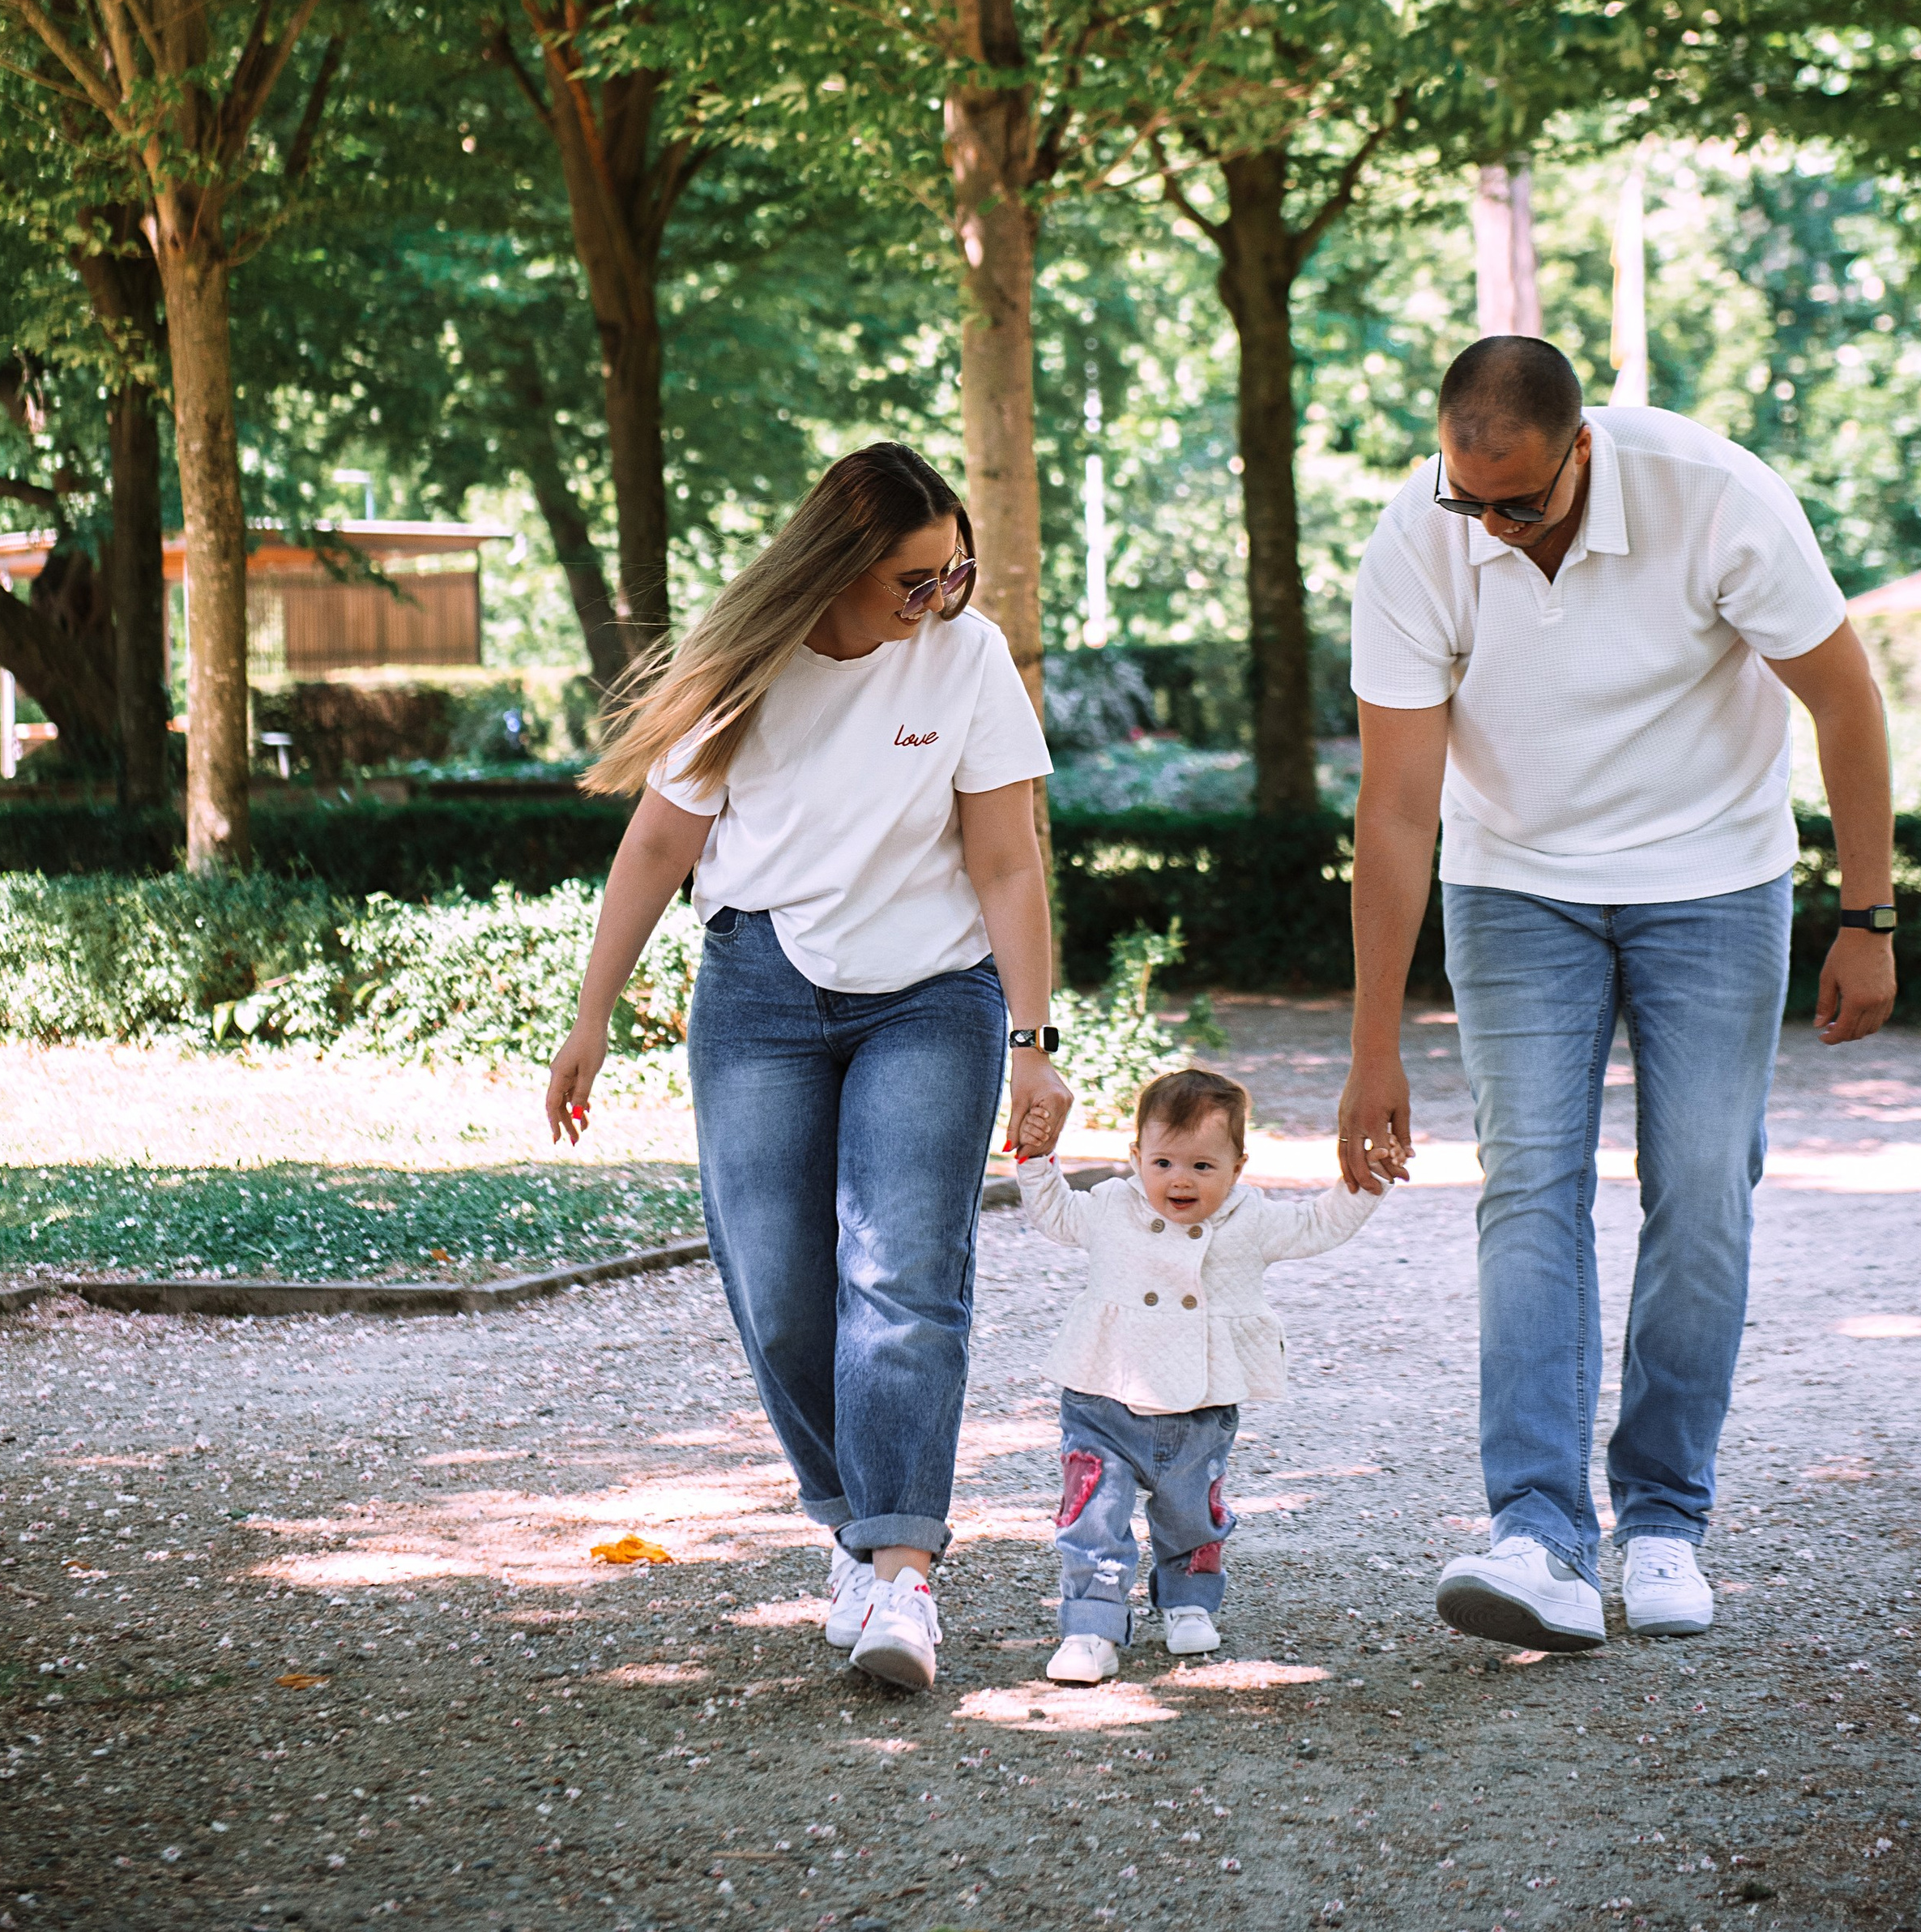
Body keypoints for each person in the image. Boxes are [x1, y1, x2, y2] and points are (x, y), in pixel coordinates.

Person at [1338, 336, 1897, 1652]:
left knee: (1702, 1182)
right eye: (1470, 498)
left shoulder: (1714, 495)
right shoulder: (1418, 538)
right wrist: (1373, 1046)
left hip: (1713, 874)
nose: (1492, 525)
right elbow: (1399, 807)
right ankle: (1537, 1533)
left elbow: (1846, 697)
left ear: (1581, 450)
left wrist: (1867, 915)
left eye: (1521, 501)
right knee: (1529, 1184)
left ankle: (1662, 1518)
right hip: (1515, 881)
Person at [544, 442, 1071, 1694]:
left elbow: (1007, 859)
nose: (937, 599)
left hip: (932, 994)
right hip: (762, 992)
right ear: (838, 566)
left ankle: (903, 1571)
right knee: (779, 1286)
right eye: (911, 579)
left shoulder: (967, 656)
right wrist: (590, 1014)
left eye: (954, 573)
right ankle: (854, 1522)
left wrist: (1035, 1041)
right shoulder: (742, 665)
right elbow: (657, 844)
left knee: (902, 1274)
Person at [1016, 1066, 1385, 1685]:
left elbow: (1319, 1222)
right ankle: (1090, 1625)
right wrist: (1035, 1156)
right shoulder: (1111, 1206)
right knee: (1091, 1514)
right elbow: (1054, 1213)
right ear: (1136, 1156)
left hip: (1201, 1405)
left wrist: (1369, 1179)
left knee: (1192, 1513)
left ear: (1238, 1167)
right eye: (1162, 1162)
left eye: (1203, 1166)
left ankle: (1188, 1600)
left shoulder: (1251, 1218)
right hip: (1104, 1395)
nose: (1179, 1179)